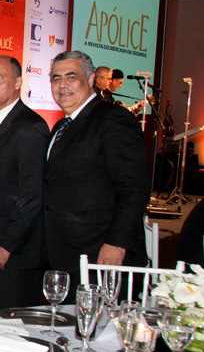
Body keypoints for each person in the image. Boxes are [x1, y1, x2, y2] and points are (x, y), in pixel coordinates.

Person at [44, 50, 149, 280]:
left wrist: (116, 243)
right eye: (56, 78)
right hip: (66, 253)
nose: (62, 85)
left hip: (101, 255)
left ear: (91, 79)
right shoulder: (61, 127)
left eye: (71, 77)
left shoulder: (113, 119)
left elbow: (134, 188)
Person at [0, 56, 48, 312]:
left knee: (10, 324)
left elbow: (32, 195)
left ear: (17, 83)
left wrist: (7, 245)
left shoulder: (31, 126)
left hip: (13, 253)